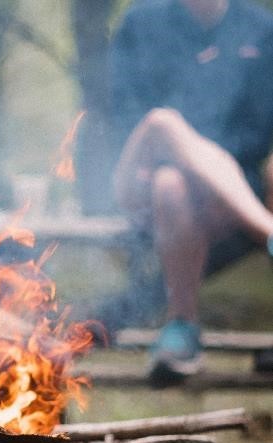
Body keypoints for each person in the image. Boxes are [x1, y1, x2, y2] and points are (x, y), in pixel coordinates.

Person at [108, 0, 273, 382]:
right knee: (165, 124)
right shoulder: (140, 21)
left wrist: (206, 164)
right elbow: (125, 114)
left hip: (218, 188)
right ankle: (268, 230)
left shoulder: (259, 29)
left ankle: (182, 329)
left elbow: (259, 131)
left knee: (174, 187)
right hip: (140, 174)